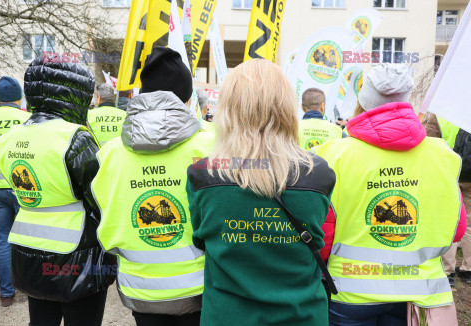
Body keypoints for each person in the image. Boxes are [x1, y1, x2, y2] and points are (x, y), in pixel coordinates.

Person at [314, 64, 466, 326]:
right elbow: (456, 229)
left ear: (362, 100)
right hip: (416, 293)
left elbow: (323, 235)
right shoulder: (443, 156)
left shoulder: (332, 155)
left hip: (349, 292)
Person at [186, 59, 336, 326]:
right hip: (301, 317)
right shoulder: (319, 174)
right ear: (286, 108)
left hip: (228, 318)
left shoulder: (203, 175)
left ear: (230, 109)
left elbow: (202, 242)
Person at [92, 47, 211, 326]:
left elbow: (104, 213)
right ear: (188, 97)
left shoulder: (109, 153)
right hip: (200, 288)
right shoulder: (212, 145)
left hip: (141, 289)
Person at [0, 58, 113, 325]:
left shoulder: (9, 138)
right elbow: (99, 195)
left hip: (28, 248)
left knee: (40, 320)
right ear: (75, 93)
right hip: (78, 252)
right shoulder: (76, 137)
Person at [0, 76, 30, 307]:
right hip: (21, 187)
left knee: (2, 240)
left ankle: (6, 294)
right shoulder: (28, 120)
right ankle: (30, 286)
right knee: (28, 238)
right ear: (19, 97)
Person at [424, 113, 471, 286]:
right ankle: (468, 269)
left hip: (449, 171)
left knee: (449, 220)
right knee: (469, 223)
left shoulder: (442, 112)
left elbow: (427, 140)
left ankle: (447, 270)